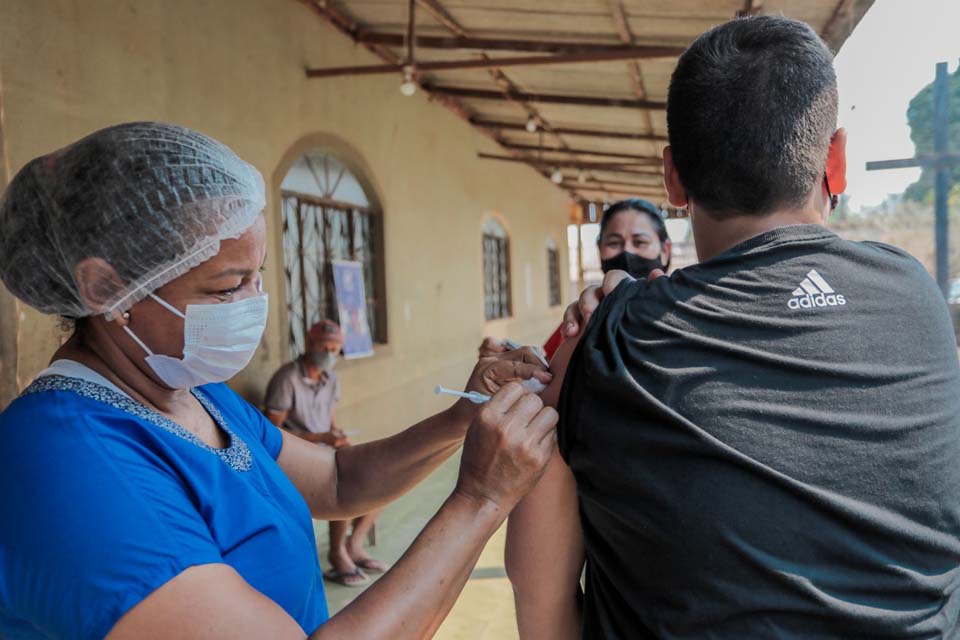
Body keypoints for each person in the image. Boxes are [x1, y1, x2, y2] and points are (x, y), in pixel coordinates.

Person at [0, 122, 559, 640]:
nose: (254, 304)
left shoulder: (190, 394)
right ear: (104, 290)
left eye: (258, 275)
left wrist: (462, 417)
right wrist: (482, 497)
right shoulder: (69, 464)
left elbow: (337, 481)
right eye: (225, 288)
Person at [506, 16, 960, 639]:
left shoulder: (615, 338)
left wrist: (612, 317)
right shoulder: (917, 297)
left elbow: (541, 594)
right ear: (837, 160)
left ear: (672, 178)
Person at [264, 319, 385, 587]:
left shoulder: (331, 379)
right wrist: (321, 438)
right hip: (293, 455)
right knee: (343, 485)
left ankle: (353, 546)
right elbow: (271, 433)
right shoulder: (287, 379)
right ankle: (336, 554)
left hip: (326, 447)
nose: (330, 354)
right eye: (324, 348)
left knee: (377, 475)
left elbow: (328, 419)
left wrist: (336, 435)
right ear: (308, 345)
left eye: (335, 349)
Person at [479, 199, 671, 363]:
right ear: (599, 251)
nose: (627, 252)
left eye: (640, 242)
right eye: (614, 243)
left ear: (665, 251)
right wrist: (510, 361)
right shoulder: (584, 317)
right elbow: (547, 374)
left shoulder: (684, 312)